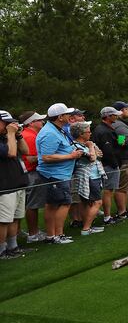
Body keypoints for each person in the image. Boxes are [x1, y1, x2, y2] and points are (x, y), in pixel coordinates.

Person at [37, 103, 80, 244]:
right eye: (67, 114)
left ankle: (52, 236)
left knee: (53, 204)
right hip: (55, 175)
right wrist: (71, 156)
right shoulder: (50, 133)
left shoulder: (56, 129)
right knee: (63, 203)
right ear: (60, 117)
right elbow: (47, 157)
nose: (70, 116)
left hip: (59, 174)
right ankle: (57, 235)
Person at [0, 110, 33, 258]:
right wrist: (11, 134)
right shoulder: (6, 138)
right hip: (4, 186)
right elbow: (11, 153)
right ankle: (2, 251)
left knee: (15, 217)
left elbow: (25, 151)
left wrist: (18, 135)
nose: (10, 125)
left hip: (17, 183)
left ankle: (13, 247)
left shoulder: (7, 137)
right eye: (6, 123)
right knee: (3, 220)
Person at [92, 107, 128, 225]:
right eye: (114, 115)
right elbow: (107, 151)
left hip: (109, 163)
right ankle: (107, 217)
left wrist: (120, 141)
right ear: (108, 116)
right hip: (109, 164)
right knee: (108, 190)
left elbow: (116, 144)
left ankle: (107, 216)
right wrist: (115, 165)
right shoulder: (103, 130)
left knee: (109, 190)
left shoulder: (108, 128)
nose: (116, 116)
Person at [69, 121, 105, 235]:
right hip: (88, 177)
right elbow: (93, 158)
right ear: (81, 134)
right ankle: (86, 228)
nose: (90, 133)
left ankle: (87, 227)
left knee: (87, 203)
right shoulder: (76, 146)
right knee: (97, 202)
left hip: (93, 175)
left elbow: (99, 155)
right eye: (88, 132)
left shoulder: (85, 145)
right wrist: (91, 147)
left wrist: (93, 150)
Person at [18, 111, 47, 243]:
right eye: (39, 120)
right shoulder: (29, 136)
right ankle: (33, 234)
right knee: (32, 205)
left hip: (28, 173)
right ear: (31, 123)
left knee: (26, 204)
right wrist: (48, 156)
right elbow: (30, 159)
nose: (42, 122)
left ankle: (18, 232)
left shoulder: (29, 134)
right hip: (31, 173)